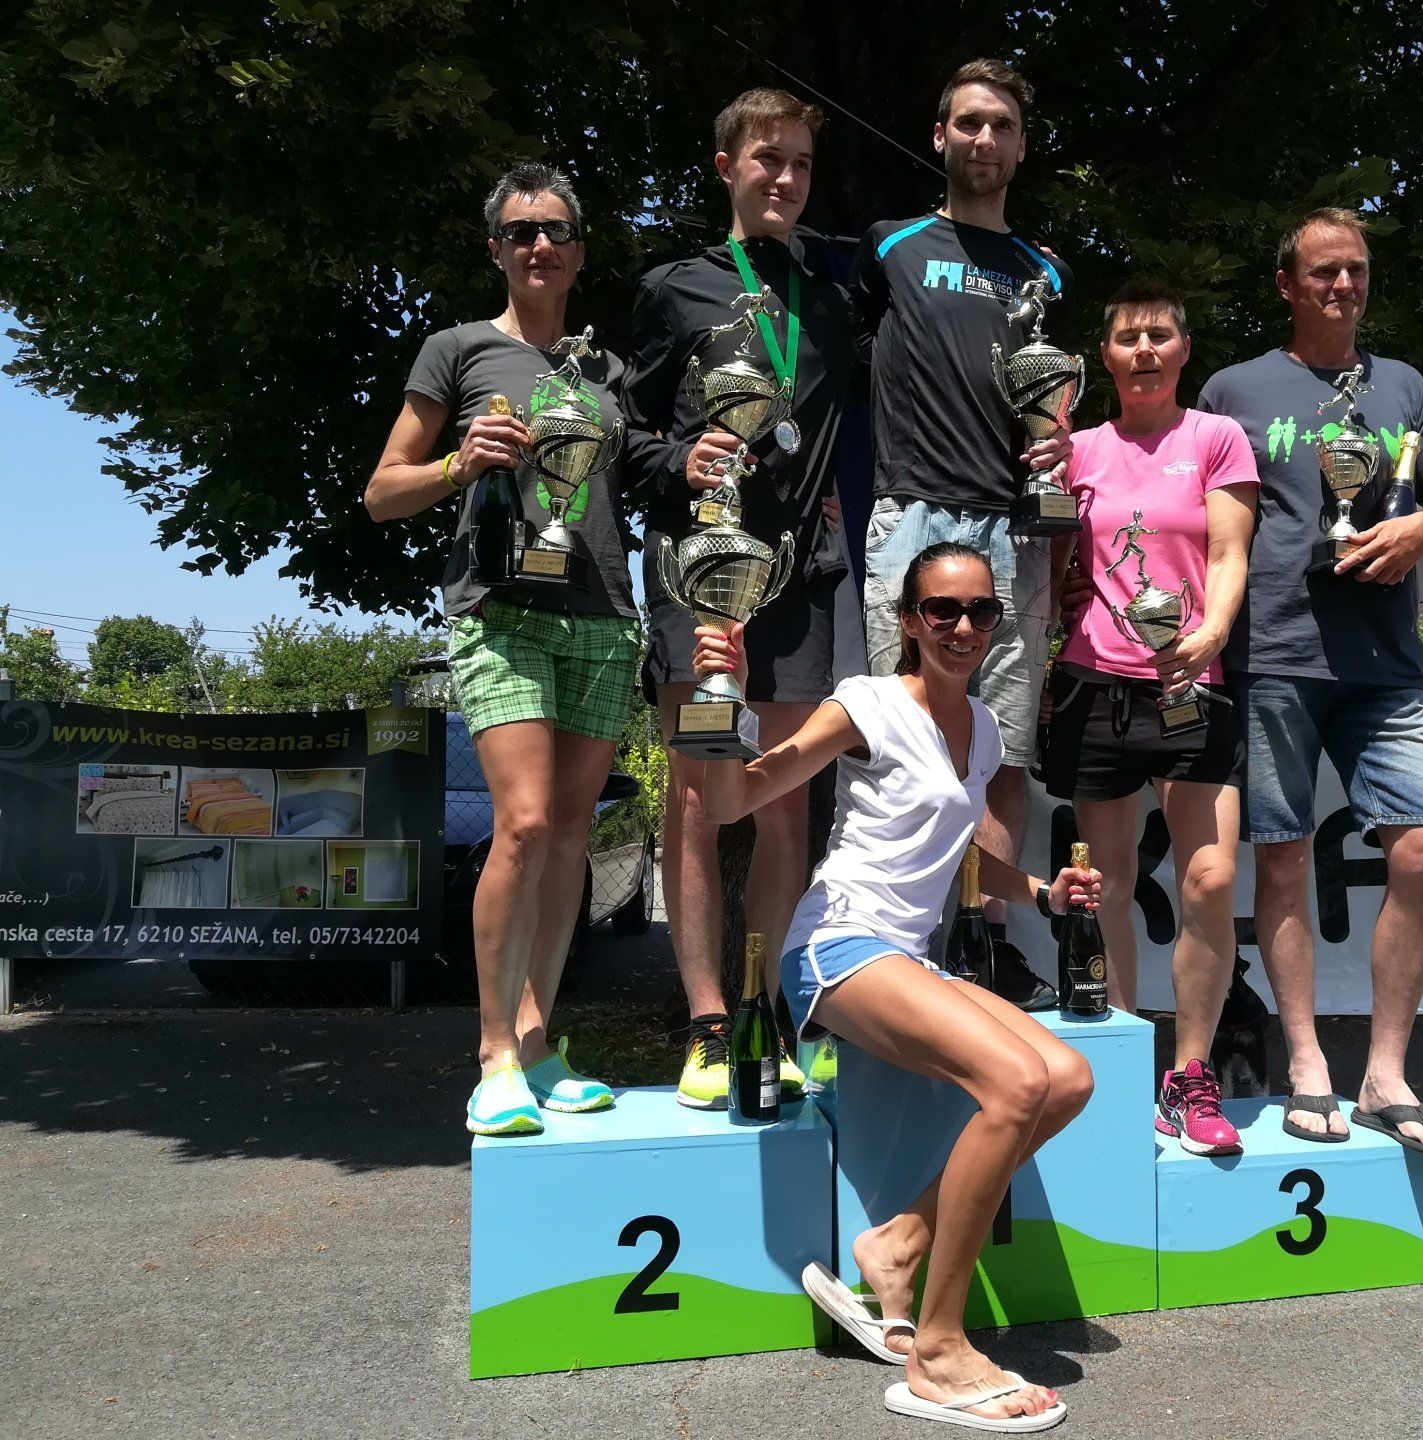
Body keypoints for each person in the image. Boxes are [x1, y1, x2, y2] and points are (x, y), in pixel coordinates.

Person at [687, 542, 1095, 1432]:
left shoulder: (982, 725)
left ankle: (899, 1244)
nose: (962, 626)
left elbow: (964, 851)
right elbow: (731, 802)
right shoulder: (866, 703)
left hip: (909, 954)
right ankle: (937, 1350)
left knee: (1068, 1079)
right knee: (1017, 1081)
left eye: (981, 610)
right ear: (908, 621)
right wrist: (728, 699)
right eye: (942, 610)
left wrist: (1043, 892)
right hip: (836, 947)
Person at [1197, 206, 1423, 1154]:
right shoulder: (1233, 387)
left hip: (1385, 664)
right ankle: (1308, 1062)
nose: (1344, 285)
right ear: (1287, 285)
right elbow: (1207, 523)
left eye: (1355, 269)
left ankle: (1387, 1073)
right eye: (1324, 271)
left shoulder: (1404, 386)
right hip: (1273, 652)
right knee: (1280, 858)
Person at [366, 163, 637, 1136]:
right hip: (502, 609)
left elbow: (637, 475)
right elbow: (381, 492)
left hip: (604, 612)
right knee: (521, 824)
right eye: (521, 232)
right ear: (496, 249)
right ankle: (492, 1055)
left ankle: (537, 1042)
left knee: (569, 835)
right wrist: (457, 462)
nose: (540, 245)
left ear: (579, 249)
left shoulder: (608, 372)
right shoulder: (457, 349)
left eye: (556, 230)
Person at [621, 89, 861, 1110]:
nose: (787, 178)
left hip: (801, 575)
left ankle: (768, 1009)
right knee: (696, 796)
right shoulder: (672, 288)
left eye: (802, 163)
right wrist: (680, 459)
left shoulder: (837, 298)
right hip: (701, 570)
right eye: (769, 159)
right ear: (726, 166)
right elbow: (623, 436)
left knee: (784, 798)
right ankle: (707, 1024)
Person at [852, 59, 1073, 1003]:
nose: (986, 139)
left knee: (1005, 747)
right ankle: (894, 937)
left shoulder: (1045, 271)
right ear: (939, 136)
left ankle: (987, 941)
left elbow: (1050, 399)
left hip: (1015, 526)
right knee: (901, 737)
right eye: (970, 123)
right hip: (912, 512)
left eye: (1003, 126)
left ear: (1021, 147)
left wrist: (1057, 442)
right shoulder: (889, 247)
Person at [1043, 279, 1258, 1157]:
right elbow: (1056, 559)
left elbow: (1230, 552)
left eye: (1160, 336)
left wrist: (1210, 633)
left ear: (1184, 350)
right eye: (1127, 337)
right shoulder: (1077, 449)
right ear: (1104, 356)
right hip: (1094, 683)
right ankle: (1127, 1061)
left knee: (1210, 880)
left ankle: (1191, 1074)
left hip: (1191, 685)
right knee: (1110, 885)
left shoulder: (1215, 437)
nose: (1144, 351)